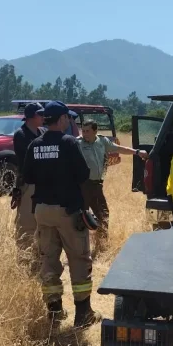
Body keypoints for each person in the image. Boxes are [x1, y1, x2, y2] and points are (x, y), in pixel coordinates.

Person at [22, 101, 101, 328]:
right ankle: (83, 314)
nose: (70, 121)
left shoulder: (35, 145)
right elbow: (83, 174)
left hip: (42, 211)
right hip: (67, 210)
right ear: (63, 119)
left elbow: (28, 177)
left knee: (49, 259)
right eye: (69, 118)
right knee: (79, 259)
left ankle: (54, 312)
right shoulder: (68, 143)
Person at [77, 120, 148, 253]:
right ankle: (81, 249)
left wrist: (137, 152)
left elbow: (119, 149)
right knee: (81, 217)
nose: (84, 134)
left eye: (87, 131)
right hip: (82, 186)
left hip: (97, 185)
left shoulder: (102, 141)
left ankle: (102, 245)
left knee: (103, 214)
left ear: (95, 131)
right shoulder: (77, 143)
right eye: (83, 131)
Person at [12, 103, 46, 260]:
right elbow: (27, 161)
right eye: (40, 114)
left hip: (44, 184)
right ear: (32, 116)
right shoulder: (21, 134)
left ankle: (39, 255)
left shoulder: (43, 131)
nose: (43, 117)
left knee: (42, 222)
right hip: (28, 184)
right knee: (26, 222)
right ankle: (24, 257)